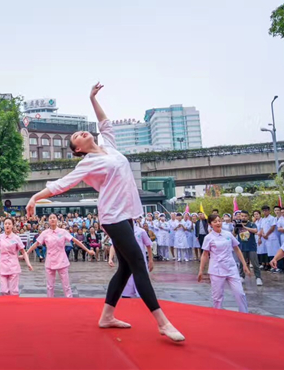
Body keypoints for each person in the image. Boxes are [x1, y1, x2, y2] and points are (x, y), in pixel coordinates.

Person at [26, 83, 184, 341]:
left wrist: (92, 98)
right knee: (138, 265)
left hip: (126, 215)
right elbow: (61, 184)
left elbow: (104, 123)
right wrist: (35, 196)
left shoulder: (109, 146)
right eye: (76, 137)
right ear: (77, 149)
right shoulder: (87, 163)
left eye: (81, 132)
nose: (81, 133)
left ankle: (107, 316)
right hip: (112, 217)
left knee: (125, 268)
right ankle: (163, 323)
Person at [26, 214, 94, 298]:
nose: (52, 219)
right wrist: (26, 253)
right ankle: (50, 302)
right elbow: (36, 244)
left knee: (66, 286)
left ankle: (69, 301)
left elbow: (75, 241)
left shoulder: (63, 231)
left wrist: (88, 250)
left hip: (62, 260)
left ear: (57, 220)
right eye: (50, 218)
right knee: (50, 286)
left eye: (54, 218)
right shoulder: (45, 233)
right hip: (50, 261)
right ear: (48, 221)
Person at [198, 214, 250, 313]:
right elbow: (205, 254)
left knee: (240, 293)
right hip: (216, 269)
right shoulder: (208, 238)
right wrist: (201, 270)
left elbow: (237, 249)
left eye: (219, 221)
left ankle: (244, 314)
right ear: (210, 224)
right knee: (217, 297)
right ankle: (218, 316)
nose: (218, 223)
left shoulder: (228, 234)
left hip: (231, 268)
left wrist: (244, 264)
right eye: (215, 222)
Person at [109, 222, 154, 299]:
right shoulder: (120, 231)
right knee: (127, 283)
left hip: (140, 261)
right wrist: (110, 258)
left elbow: (148, 245)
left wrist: (151, 260)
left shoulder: (141, 231)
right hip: (126, 261)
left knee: (142, 283)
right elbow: (113, 245)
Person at [0, 218, 33, 296]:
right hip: (2, 266)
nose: (7, 225)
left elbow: (23, 251)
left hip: (13, 266)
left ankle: (14, 306)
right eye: (5, 224)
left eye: (9, 224)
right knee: (4, 291)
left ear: (12, 225)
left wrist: (28, 263)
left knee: (13, 291)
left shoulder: (16, 238)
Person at [233, 210, 262, 286]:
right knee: (242, 263)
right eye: (242, 216)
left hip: (251, 247)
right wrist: (236, 227)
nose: (243, 217)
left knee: (255, 263)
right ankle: (242, 276)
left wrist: (244, 227)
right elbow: (233, 235)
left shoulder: (251, 224)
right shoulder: (238, 224)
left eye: (245, 216)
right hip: (242, 247)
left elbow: (255, 231)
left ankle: (258, 277)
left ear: (248, 217)